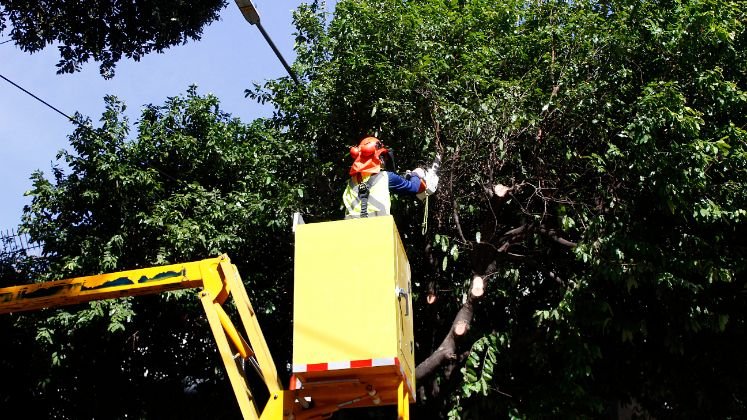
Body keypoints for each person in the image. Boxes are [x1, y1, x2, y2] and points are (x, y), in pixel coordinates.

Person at [342, 136, 428, 219]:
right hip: (380, 227)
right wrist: (415, 174)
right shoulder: (386, 177)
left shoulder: (351, 182)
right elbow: (415, 187)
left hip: (351, 228)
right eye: (384, 157)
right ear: (380, 158)